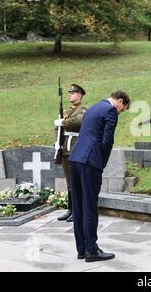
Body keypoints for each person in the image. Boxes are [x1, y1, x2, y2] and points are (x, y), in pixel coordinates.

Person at [68, 91, 130, 262]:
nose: (120, 112)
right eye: (122, 109)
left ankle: (81, 249)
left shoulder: (93, 107)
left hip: (75, 159)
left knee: (78, 207)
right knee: (90, 206)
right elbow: (107, 140)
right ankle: (92, 251)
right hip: (90, 161)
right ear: (119, 101)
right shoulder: (110, 111)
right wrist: (101, 162)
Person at [54, 84, 87, 222]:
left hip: (75, 149)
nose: (70, 95)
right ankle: (71, 210)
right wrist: (56, 143)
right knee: (69, 182)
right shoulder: (67, 111)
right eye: (69, 93)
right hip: (65, 149)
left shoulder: (83, 110)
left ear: (80, 95)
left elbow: (78, 122)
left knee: (76, 182)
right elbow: (57, 128)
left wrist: (63, 122)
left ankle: (78, 211)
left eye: (73, 93)